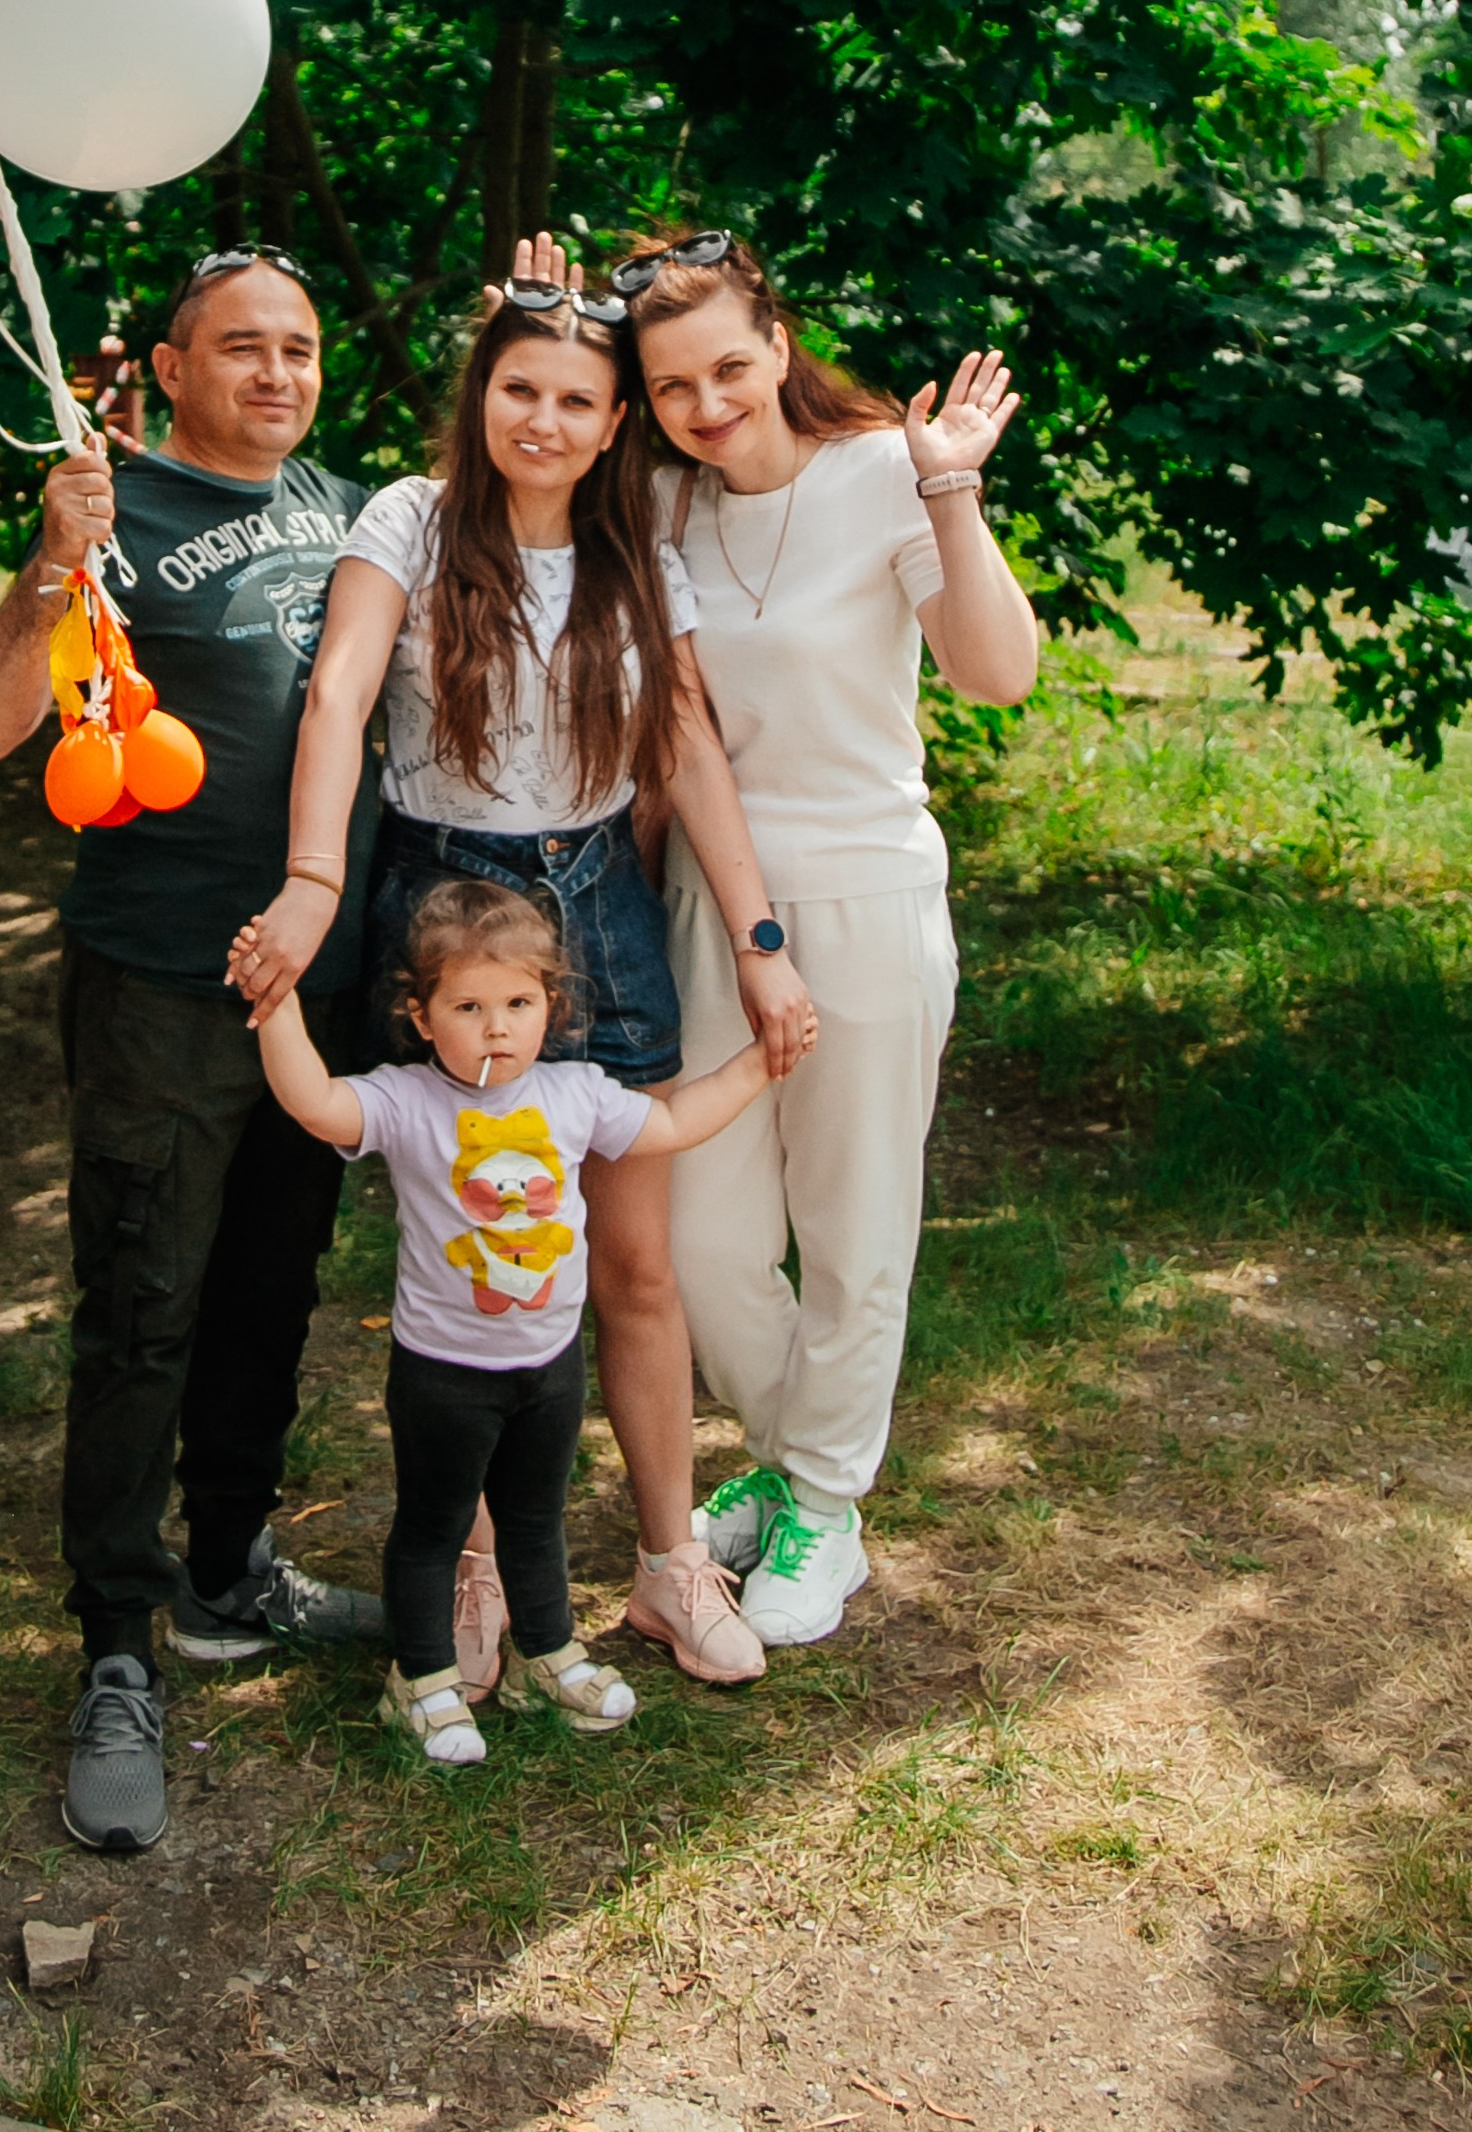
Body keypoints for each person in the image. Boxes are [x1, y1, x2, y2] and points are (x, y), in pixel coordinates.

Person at [235, 284, 802, 1694]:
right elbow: (339, 699)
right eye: (518, 388)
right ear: (480, 391)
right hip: (444, 907)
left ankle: (670, 1565)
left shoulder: (632, 555)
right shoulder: (408, 523)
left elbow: (688, 752)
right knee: (480, 1261)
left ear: (617, 426)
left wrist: (758, 936)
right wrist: (314, 881)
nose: (542, 422)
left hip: (600, 911)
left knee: (635, 1264)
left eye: (576, 400)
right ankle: (476, 1564)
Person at [0, 247, 386, 1857]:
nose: (278, 375)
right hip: (160, 983)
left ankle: (226, 1574)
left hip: (315, 989)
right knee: (145, 1302)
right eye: (243, 350)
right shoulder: (110, 508)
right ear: (170, 368)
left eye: (301, 346)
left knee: (273, 1289)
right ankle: (119, 1646)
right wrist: (52, 570)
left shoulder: (347, 503)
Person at [614, 226, 1039, 1649]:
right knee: (704, 1232)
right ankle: (816, 1476)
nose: (707, 403)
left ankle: (819, 1508)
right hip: (715, 906)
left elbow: (997, 673)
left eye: (728, 366)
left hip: (864, 891)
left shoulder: (881, 476)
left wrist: (953, 492)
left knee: (854, 1228)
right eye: (672, 385)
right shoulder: (662, 510)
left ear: (780, 344)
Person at [236, 874, 809, 1765]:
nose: (496, 1025)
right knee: (433, 1531)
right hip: (441, 1373)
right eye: (467, 1005)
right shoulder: (406, 1100)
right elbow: (315, 1103)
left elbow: (673, 1124)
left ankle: (548, 1654)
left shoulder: (575, 1094)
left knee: (538, 1525)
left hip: (548, 1366)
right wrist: (275, 1004)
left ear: (551, 1005)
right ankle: (421, 1683)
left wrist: (754, 1063)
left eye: (516, 1001)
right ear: (422, 1018)